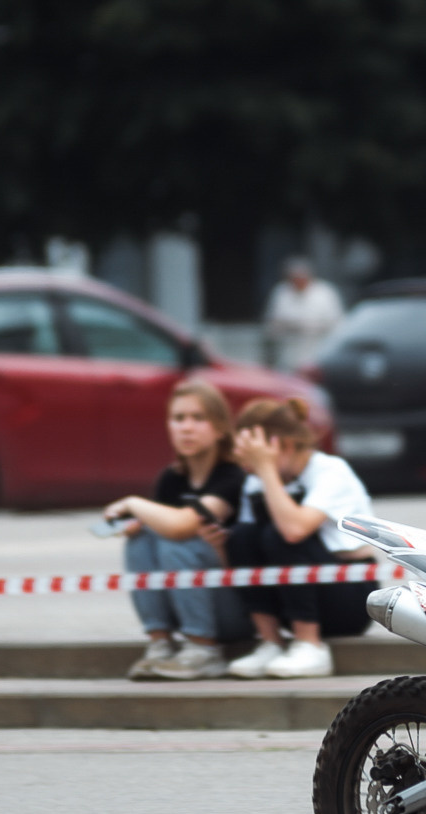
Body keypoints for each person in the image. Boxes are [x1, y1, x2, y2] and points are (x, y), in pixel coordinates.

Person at [214, 395, 372, 680]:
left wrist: (265, 469)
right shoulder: (256, 480)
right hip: (294, 597)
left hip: (348, 596)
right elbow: (248, 547)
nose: (247, 465)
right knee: (242, 536)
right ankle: (270, 642)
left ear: (280, 445)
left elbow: (295, 530)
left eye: (253, 455)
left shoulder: (330, 471)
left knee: (281, 534)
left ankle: (309, 644)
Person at [106, 381, 248, 682]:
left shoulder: (233, 476)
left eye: (198, 418)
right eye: (178, 418)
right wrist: (137, 523)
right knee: (140, 538)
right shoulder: (171, 479)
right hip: (185, 600)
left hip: (237, 609)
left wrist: (133, 503)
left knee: (176, 540)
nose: (187, 427)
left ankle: (203, 650)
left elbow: (183, 525)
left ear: (221, 428)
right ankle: (161, 644)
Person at [263, 255, 344, 371]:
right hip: (288, 356)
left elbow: (337, 324)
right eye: (294, 278)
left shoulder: (325, 292)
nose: (298, 281)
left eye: (301, 278)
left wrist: (310, 326)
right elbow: (272, 324)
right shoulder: (281, 292)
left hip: (318, 353)